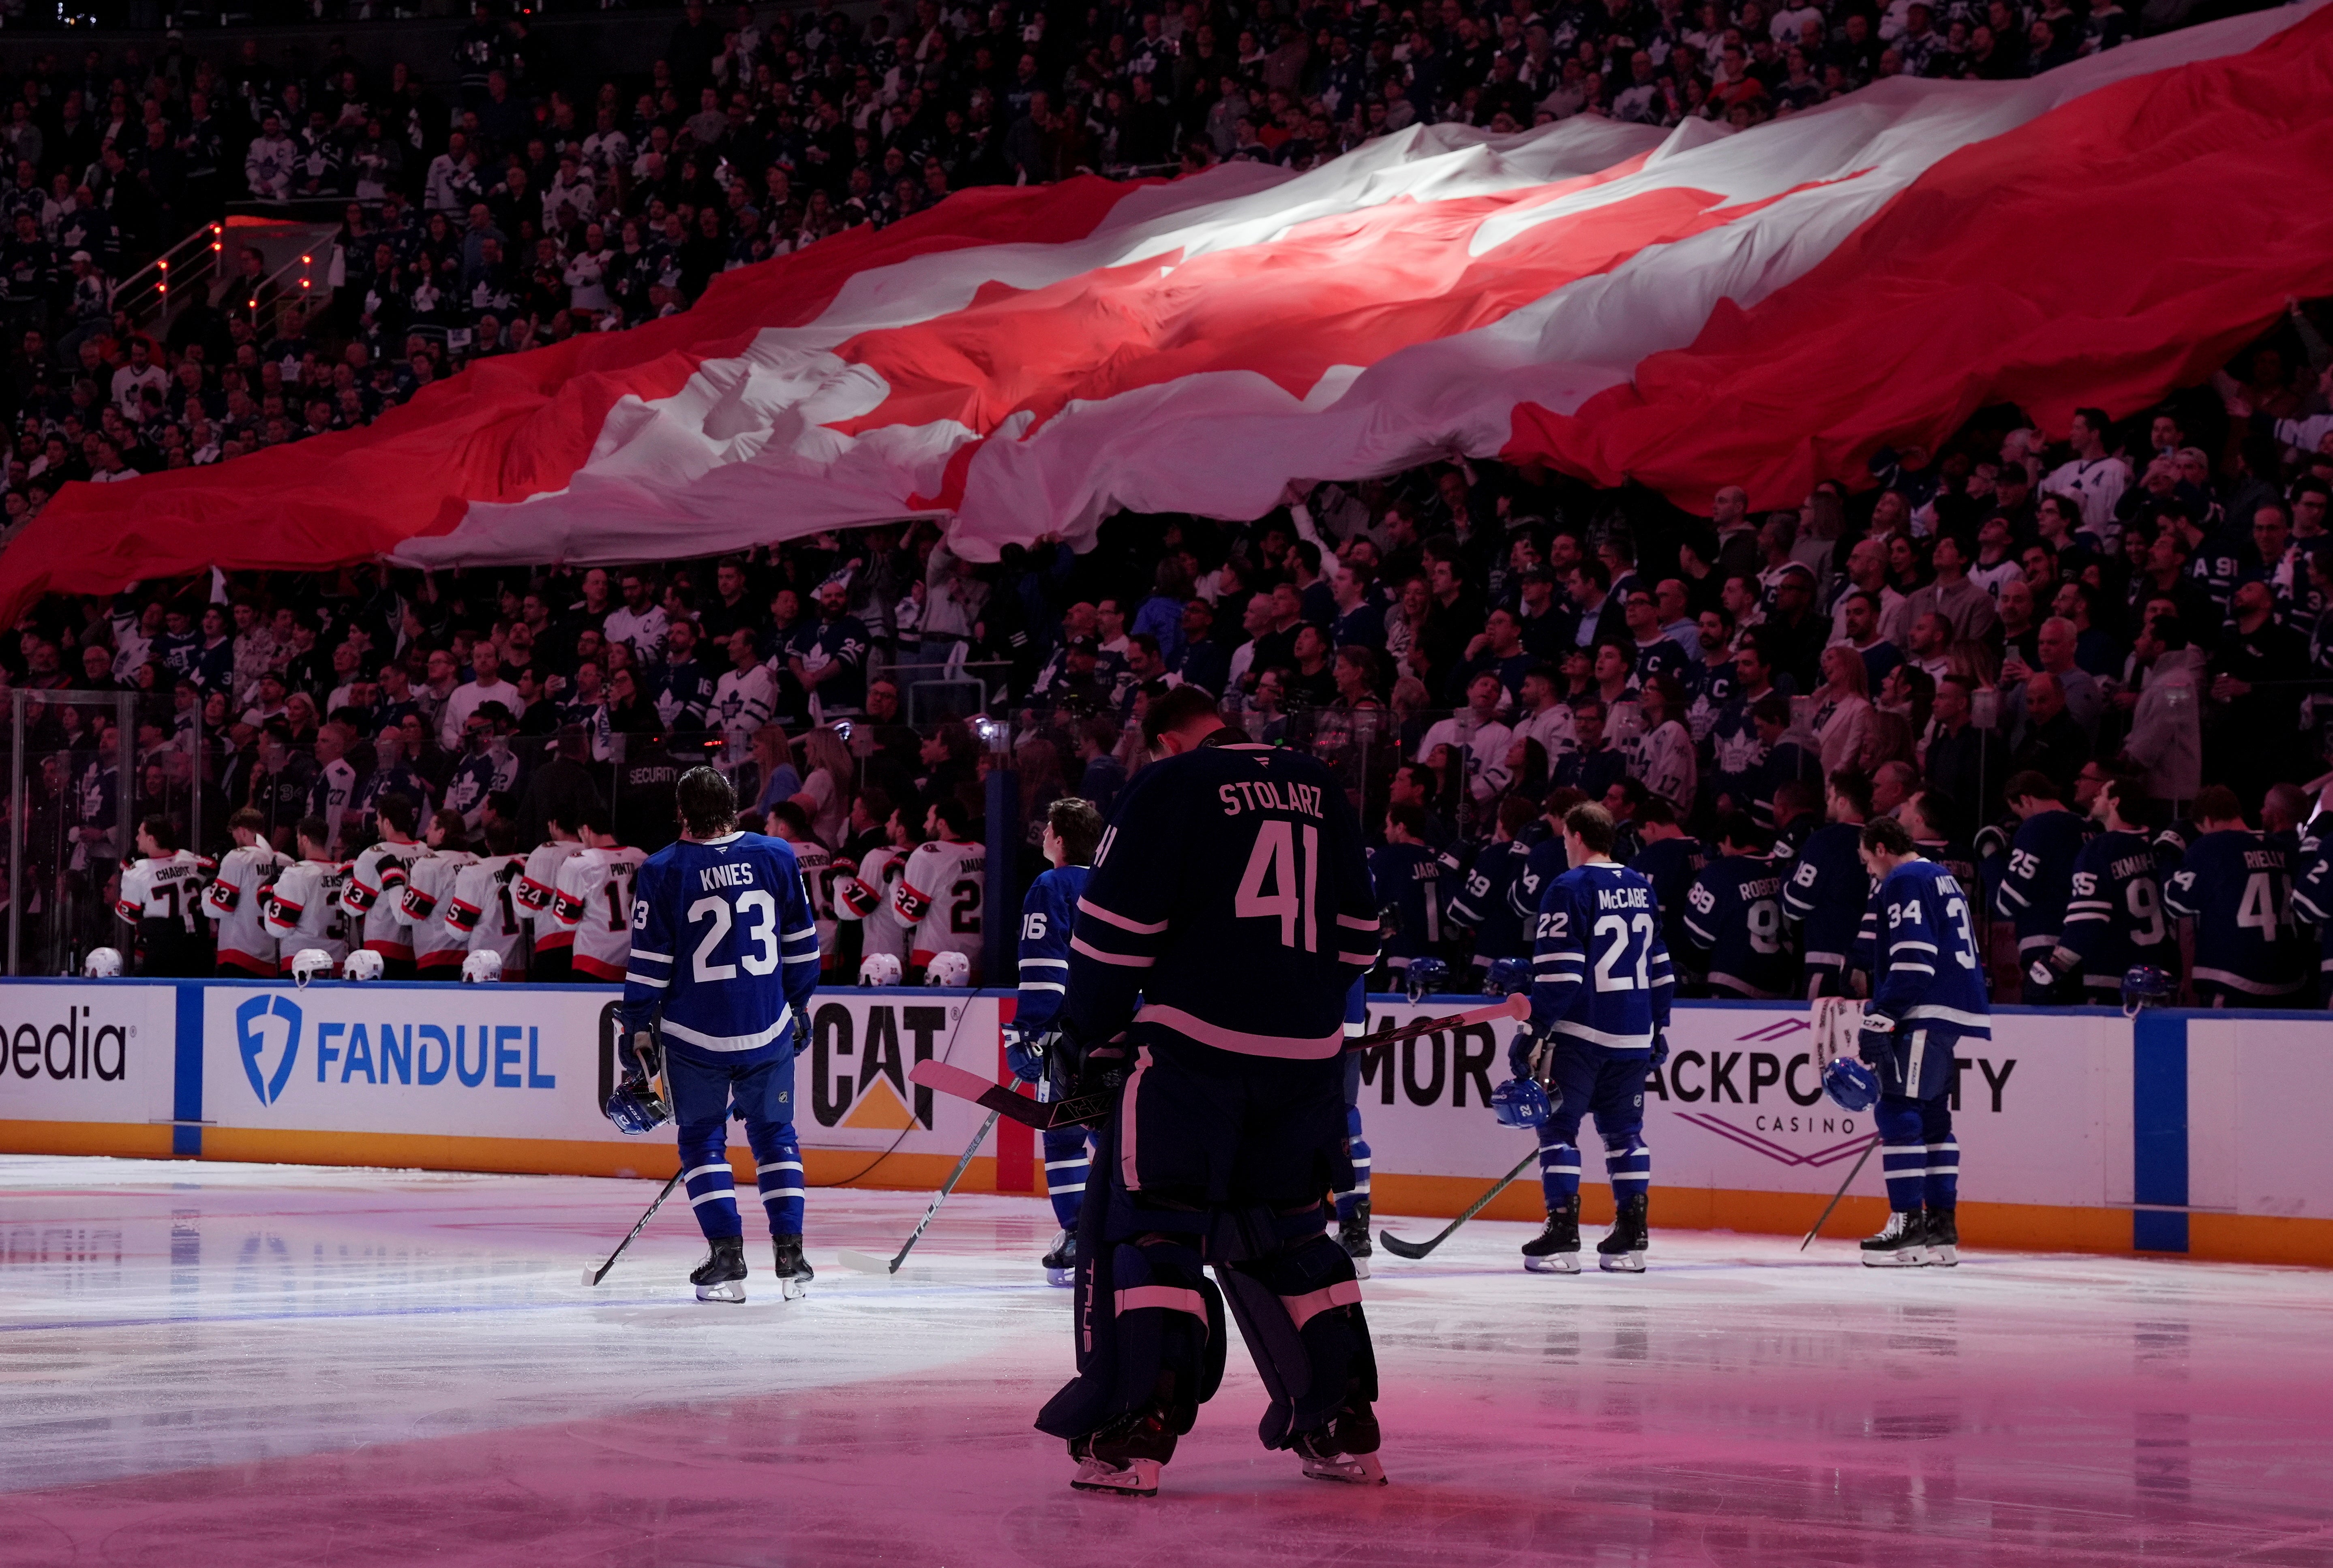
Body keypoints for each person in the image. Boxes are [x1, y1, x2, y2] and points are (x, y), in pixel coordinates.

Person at [1035, 685, 1385, 1497]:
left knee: (1155, 1230)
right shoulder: (1320, 782)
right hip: (1306, 1063)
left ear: (1164, 740)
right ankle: (1345, 1422)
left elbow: (1112, 935)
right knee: (1295, 1235)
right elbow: (1361, 937)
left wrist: (1085, 1034)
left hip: (1193, 1056)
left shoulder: (1171, 784)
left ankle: (1138, 1433)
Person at [615, 766, 822, 1303]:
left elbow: (648, 965)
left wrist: (637, 1028)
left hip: (693, 1037)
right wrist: (796, 1007)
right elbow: (802, 945)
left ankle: (728, 1259)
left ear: (681, 812)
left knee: (702, 1141)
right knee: (776, 1136)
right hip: (767, 1030)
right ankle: (791, 1257)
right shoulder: (777, 854)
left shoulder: (662, 869)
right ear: (733, 806)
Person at [1512, 801, 1673, 1276]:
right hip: (1633, 1035)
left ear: (1577, 836)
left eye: (1565, 838)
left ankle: (1562, 1233)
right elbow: (1661, 968)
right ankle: (1631, 1238)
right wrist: (1658, 1027)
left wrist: (1532, 1028)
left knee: (1558, 1129)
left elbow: (1562, 974)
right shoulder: (1641, 887)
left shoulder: (1568, 886)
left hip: (1580, 1035)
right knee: (1624, 1133)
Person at [1853, 815, 1990, 1268]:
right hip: (1952, 1006)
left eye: (1867, 861)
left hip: (1924, 1007)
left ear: (1879, 847)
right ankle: (1940, 1230)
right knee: (1932, 1116)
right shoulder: (1942, 875)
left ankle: (1907, 1227)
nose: (1869, 871)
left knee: (1897, 1109)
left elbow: (1914, 960)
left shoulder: (1904, 878)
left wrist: (1881, 1014)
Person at [1004, 796, 1106, 1286]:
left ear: (1060, 839)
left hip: (1068, 1034)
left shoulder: (1049, 885)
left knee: (1063, 1130)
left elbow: (1044, 967)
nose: (1043, 834)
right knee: (1111, 1133)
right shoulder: (1114, 884)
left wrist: (1028, 1032)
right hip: (1122, 1026)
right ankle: (1126, 1231)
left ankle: (1076, 1232)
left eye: (1048, 827)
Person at [2162, 785, 2310, 1008]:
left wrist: (2167, 856)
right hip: (2288, 977)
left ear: (2209, 821)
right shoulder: (2282, 846)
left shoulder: (2211, 846)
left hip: (2233, 977)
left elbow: (2175, 903)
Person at [2030, 774, 2171, 1004]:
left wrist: (2056, 964)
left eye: (2102, 794)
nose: (2096, 798)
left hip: (2112, 978)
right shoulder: (2160, 844)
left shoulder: (2099, 849)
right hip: (2161, 974)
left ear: (2115, 803)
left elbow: (2087, 923)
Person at [1996, 771, 2091, 1003]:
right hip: (2085, 943)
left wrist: (1991, 857)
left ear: (2026, 799)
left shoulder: (2037, 827)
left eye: (2019, 810)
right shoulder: (2089, 828)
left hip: (2045, 945)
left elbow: (2009, 901)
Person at [1680, 812, 1795, 999]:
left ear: (1728, 839)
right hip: (1783, 981)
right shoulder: (1783, 868)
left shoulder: (1721, 872)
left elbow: (1699, 936)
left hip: (1733, 982)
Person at [1783, 769, 1873, 999]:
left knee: (1818, 1032)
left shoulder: (1825, 840)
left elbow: (1795, 905)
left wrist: (1786, 876)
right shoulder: (1882, 842)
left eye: (1831, 796)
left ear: (1842, 802)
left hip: (1827, 961)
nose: (1827, 802)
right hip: (1872, 966)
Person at [1443, 793, 1536, 982]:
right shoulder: (1543, 857)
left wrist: (1448, 872)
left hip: (1495, 960)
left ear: (1502, 821)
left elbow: (1463, 913)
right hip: (1534, 960)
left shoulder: (1496, 855)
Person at [893, 795, 985, 984]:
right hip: (976, 962)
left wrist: (895, 879)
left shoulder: (928, 854)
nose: (925, 826)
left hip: (934, 961)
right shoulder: (982, 852)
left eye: (929, 820)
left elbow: (905, 917)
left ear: (942, 823)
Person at [551, 802, 648, 980]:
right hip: (633, 959)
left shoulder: (579, 863)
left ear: (586, 830)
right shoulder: (640, 857)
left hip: (593, 959)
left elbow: (566, 920)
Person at [114, 815, 210, 977]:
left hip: (163, 950)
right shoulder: (188, 858)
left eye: (140, 834)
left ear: (151, 839)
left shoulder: (137, 871)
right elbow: (213, 868)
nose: (137, 839)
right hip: (197, 945)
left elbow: (130, 916)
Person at [340, 791, 422, 978]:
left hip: (381, 948)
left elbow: (353, 906)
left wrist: (348, 873)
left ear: (387, 822)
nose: (376, 824)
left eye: (378, 819)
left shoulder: (374, 855)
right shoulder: (427, 853)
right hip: (417, 948)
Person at [836, 802, 919, 978]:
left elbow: (850, 910)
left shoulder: (880, 856)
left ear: (901, 831)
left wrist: (841, 876)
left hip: (881, 960)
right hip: (922, 959)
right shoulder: (927, 858)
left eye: (891, 821)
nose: (887, 826)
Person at [262, 815, 352, 975]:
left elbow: (279, 927)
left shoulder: (299, 872)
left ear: (305, 839)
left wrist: (267, 900)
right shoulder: (343, 872)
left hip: (301, 964)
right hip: (338, 963)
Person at [206, 806, 288, 978]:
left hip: (238, 956)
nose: (234, 838)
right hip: (272, 958)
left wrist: (207, 889)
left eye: (234, 833)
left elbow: (216, 908)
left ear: (242, 831)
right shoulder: (286, 862)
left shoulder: (238, 857)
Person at [1371, 802, 1446, 986]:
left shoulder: (1387, 857)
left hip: (1401, 955)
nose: (1385, 832)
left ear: (1401, 827)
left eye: (1388, 825)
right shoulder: (1441, 859)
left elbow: (1369, 903)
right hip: (1442, 957)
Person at [396, 812, 478, 979]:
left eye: (431, 827)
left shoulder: (431, 864)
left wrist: (393, 882)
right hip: (470, 957)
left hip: (436, 958)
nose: (426, 832)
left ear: (442, 833)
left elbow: (405, 916)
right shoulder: (477, 861)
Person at [446, 820, 530, 980]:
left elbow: (458, 931)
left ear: (487, 844)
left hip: (484, 968)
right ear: (515, 840)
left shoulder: (476, 871)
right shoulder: (529, 863)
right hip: (524, 963)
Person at [514, 813, 586, 982]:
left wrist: (515, 880)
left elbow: (526, 908)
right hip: (588, 947)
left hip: (553, 945)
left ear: (554, 824)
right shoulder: (590, 851)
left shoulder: (546, 852)